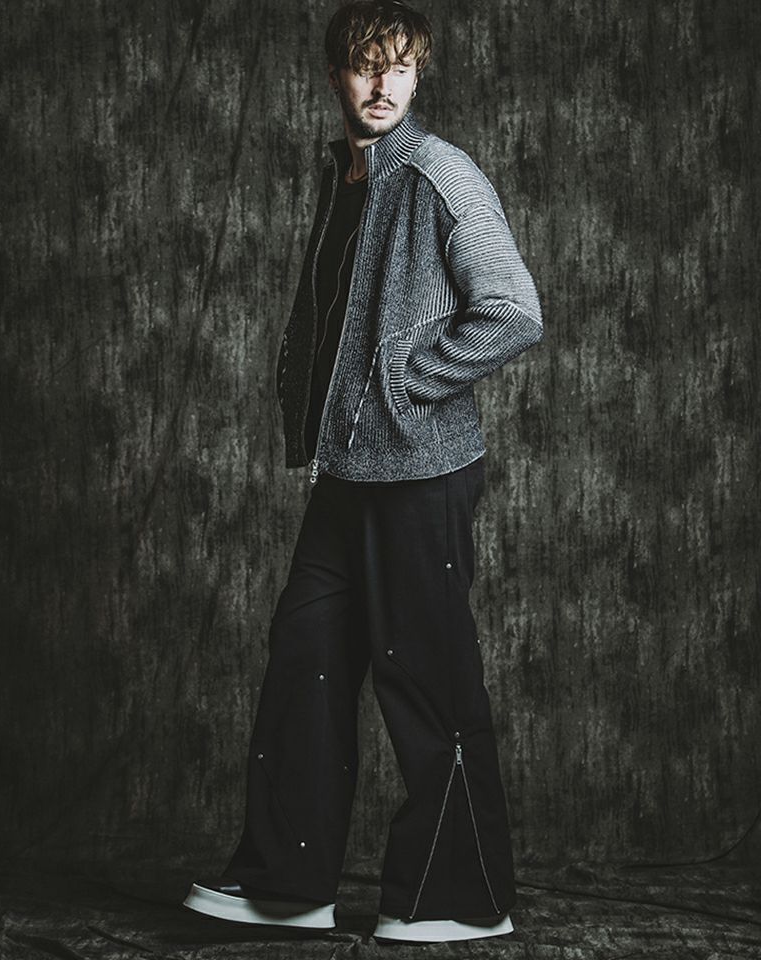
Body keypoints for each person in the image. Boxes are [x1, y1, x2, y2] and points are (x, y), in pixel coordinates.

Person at [183, 0, 542, 944]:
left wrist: (404, 382)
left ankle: (462, 898)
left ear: (418, 75)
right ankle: (287, 883)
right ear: (336, 74)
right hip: (347, 471)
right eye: (364, 65)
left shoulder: (438, 174)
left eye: (401, 67)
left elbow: (513, 309)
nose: (383, 85)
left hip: (420, 470)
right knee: (305, 656)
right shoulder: (347, 171)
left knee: (425, 677)